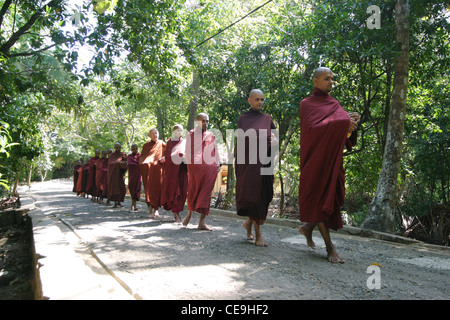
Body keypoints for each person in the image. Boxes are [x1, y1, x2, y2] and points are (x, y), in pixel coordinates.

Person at [298, 67, 360, 263]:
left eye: (332, 79)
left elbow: (342, 130)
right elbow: (313, 131)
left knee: (329, 200)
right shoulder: (307, 104)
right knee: (319, 200)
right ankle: (330, 248)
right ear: (316, 81)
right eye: (327, 79)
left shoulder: (334, 103)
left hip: (332, 161)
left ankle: (307, 228)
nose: (331, 82)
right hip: (314, 160)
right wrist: (342, 124)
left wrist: (351, 124)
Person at [235, 89, 277, 247]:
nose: (260, 102)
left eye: (262, 100)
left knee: (263, 196)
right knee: (254, 196)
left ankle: (248, 224)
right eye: (257, 99)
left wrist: (273, 143)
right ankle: (259, 235)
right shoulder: (243, 119)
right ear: (249, 101)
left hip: (264, 161)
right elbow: (244, 141)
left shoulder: (267, 118)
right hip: (249, 164)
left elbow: (274, 137)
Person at [183, 113, 220, 231]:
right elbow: (188, 152)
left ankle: (202, 222)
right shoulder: (191, 134)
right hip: (196, 168)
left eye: (207, 121)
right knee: (193, 190)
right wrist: (191, 166)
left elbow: (214, 149)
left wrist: (217, 162)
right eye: (203, 121)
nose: (205, 123)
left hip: (209, 168)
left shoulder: (210, 134)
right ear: (197, 121)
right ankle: (189, 214)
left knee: (206, 192)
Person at [161, 124, 188, 223]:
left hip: (182, 170)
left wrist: (185, 157)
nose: (179, 132)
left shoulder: (184, 142)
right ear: (173, 132)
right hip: (173, 172)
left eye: (181, 130)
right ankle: (175, 214)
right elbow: (168, 156)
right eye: (177, 130)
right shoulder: (170, 142)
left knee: (183, 191)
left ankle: (178, 211)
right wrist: (179, 155)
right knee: (175, 191)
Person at [139, 128, 166, 218]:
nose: (155, 135)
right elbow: (142, 158)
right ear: (149, 135)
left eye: (156, 133)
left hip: (158, 169)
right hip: (148, 170)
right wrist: (145, 164)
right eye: (153, 133)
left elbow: (167, 155)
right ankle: (150, 209)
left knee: (157, 188)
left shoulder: (162, 144)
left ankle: (156, 210)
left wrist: (164, 159)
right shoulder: (146, 145)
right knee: (148, 189)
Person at [107, 143, 127, 208]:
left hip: (120, 175)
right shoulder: (111, 156)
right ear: (114, 148)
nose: (118, 149)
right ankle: (115, 202)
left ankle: (119, 202)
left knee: (121, 187)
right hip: (113, 175)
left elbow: (127, 163)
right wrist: (116, 164)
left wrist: (123, 164)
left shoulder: (122, 155)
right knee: (114, 188)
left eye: (119, 147)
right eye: (117, 147)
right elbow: (110, 164)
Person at [127, 144, 142, 212]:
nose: (135, 150)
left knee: (137, 188)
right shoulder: (129, 157)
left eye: (136, 148)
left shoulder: (140, 156)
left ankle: (134, 205)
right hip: (131, 175)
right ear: (131, 149)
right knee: (132, 188)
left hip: (138, 175)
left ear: (138, 148)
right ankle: (133, 205)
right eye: (133, 149)